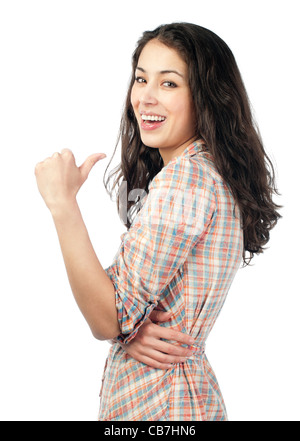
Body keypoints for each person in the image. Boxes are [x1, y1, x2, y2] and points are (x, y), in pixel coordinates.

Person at [34, 22, 281, 421]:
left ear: (206, 97)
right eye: (140, 79)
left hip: (162, 404)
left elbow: (107, 315)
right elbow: (123, 314)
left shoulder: (186, 181)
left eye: (169, 84)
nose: (145, 97)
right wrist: (128, 328)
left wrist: (62, 205)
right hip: (176, 398)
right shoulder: (201, 174)